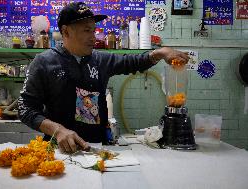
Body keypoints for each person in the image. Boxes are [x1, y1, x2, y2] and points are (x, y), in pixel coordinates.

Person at [18, 2, 189, 153]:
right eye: (86, 30)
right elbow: (25, 108)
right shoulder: (44, 62)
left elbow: (133, 62)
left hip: (97, 148)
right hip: (58, 150)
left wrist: (160, 52)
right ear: (65, 31)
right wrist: (58, 129)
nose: (93, 37)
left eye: (94, 30)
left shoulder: (101, 60)